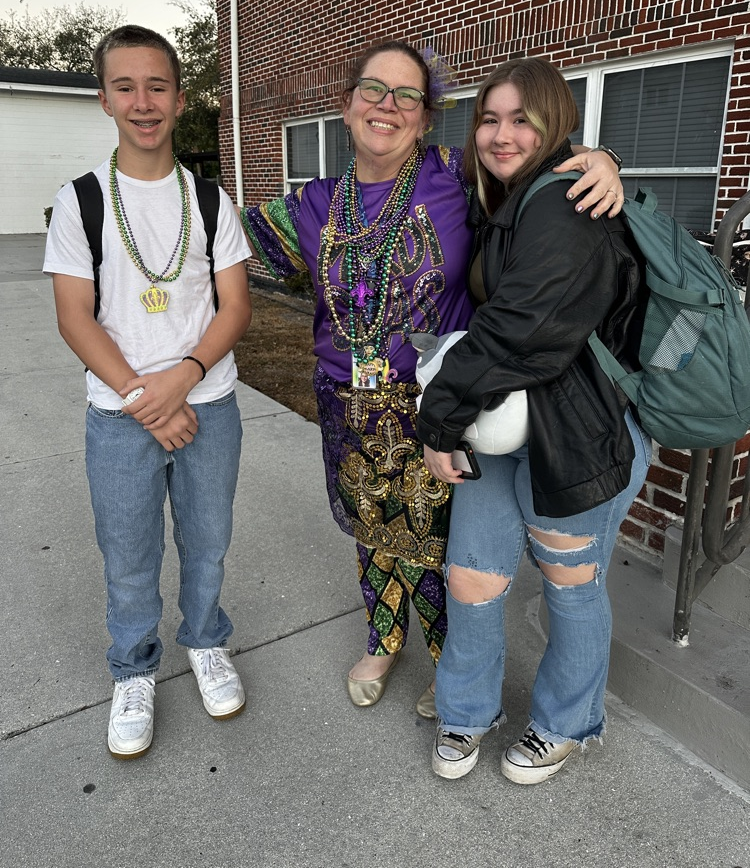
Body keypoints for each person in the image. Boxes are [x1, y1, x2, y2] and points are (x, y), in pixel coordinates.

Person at [239, 41, 623, 716]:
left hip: (439, 400)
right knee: (371, 527)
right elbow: (214, 240)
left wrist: (599, 159)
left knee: (441, 539)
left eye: (407, 96)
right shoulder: (310, 204)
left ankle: (453, 663)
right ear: (346, 104)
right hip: (345, 398)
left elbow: (534, 165)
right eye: (372, 90)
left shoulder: (458, 175)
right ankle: (384, 640)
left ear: (425, 118)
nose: (387, 106)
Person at [416, 56, 652, 783]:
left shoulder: (565, 201)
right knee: (473, 579)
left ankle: (566, 723)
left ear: (555, 124)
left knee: (570, 588)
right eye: (489, 117)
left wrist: (437, 421)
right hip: (505, 425)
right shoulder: (508, 198)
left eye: (522, 118)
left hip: (578, 436)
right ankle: (465, 713)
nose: (501, 133)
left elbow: (519, 327)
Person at [43, 25, 253, 759]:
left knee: (208, 542)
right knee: (128, 553)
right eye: (125, 86)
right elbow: (75, 316)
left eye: (157, 85)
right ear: (103, 98)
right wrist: (144, 398)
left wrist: (184, 379)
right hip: (120, 415)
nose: (143, 101)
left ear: (181, 98)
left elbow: (235, 306)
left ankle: (204, 641)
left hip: (209, 403)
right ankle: (133, 670)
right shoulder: (81, 203)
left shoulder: (208, 198)